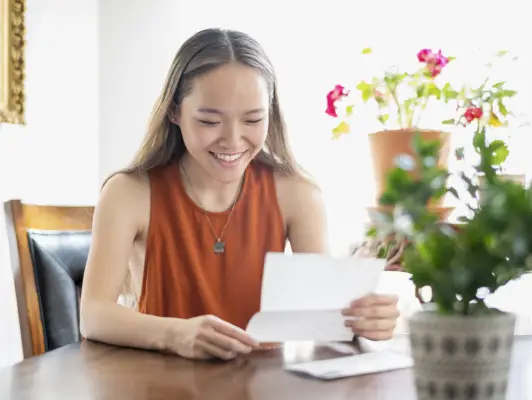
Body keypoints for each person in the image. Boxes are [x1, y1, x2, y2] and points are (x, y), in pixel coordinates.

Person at [80, 28, 400, 361]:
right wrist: (175, 334)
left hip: (263, 386)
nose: (233, 141)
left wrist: (365, 320)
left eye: (252, 120)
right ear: (174, 111)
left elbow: (323, 314)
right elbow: (93, 314)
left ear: (270, 114)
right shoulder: (128, 193)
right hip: (161, 383)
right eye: (209, 121)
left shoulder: (296, 192)